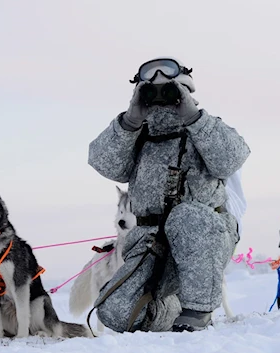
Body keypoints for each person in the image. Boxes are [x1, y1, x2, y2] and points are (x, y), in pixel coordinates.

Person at [87, 57, 250, 332]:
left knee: (186, 216)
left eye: (170, 89)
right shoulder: (138, 136)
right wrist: (130, 120)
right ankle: (173, 308)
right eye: (152, 90)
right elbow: (103, 162)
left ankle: (197, 310)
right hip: (152, 241)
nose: (162, 96)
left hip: (204, 237)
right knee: (114, 311)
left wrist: (193, 118)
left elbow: (231, 159)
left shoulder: (206, 128)